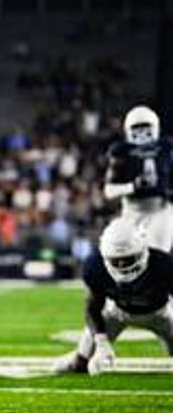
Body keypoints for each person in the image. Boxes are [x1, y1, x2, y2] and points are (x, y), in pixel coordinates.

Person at [54, 218, 173, 375]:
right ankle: (79, 356)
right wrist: (101, 341)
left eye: (128, 259)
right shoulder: (95, 266)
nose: (122, 266)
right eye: (116, 261)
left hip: (160, 314)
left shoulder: (164, 265)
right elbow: (93, 307)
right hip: (117, 313)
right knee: (80, 366)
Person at [103, 105, 172, 251]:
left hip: (161, 209)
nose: (142, 134)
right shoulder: (121, 153)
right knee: (132, 255)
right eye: (137, 129)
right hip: (132, 212)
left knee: (159, 255)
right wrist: (133, 186)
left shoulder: (167, 148)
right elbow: (109, 191)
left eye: (146, 128)